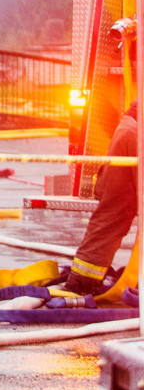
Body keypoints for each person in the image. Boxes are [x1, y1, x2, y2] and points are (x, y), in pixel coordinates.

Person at [62, 101, 138, 295]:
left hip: (130, 127)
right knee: (113, 214)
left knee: (111, 214)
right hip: (138, 134)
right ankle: (82, 282)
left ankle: (81, 281)